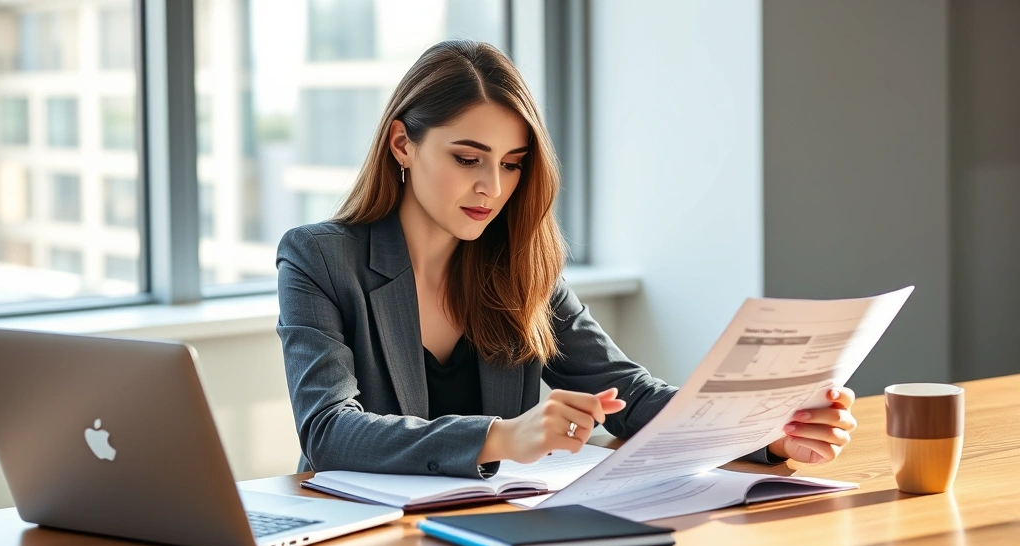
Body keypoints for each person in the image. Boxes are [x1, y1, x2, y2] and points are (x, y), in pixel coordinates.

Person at [276, 40, 857, 479]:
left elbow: (631, 396)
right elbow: (328, 430)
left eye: (511, 163)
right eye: (467, 158)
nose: (492, 188)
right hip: (361, 542)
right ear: (403, 143)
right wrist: (501, 437)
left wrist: (769, 434)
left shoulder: (520, 264)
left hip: (487, 536)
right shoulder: (319, 259)